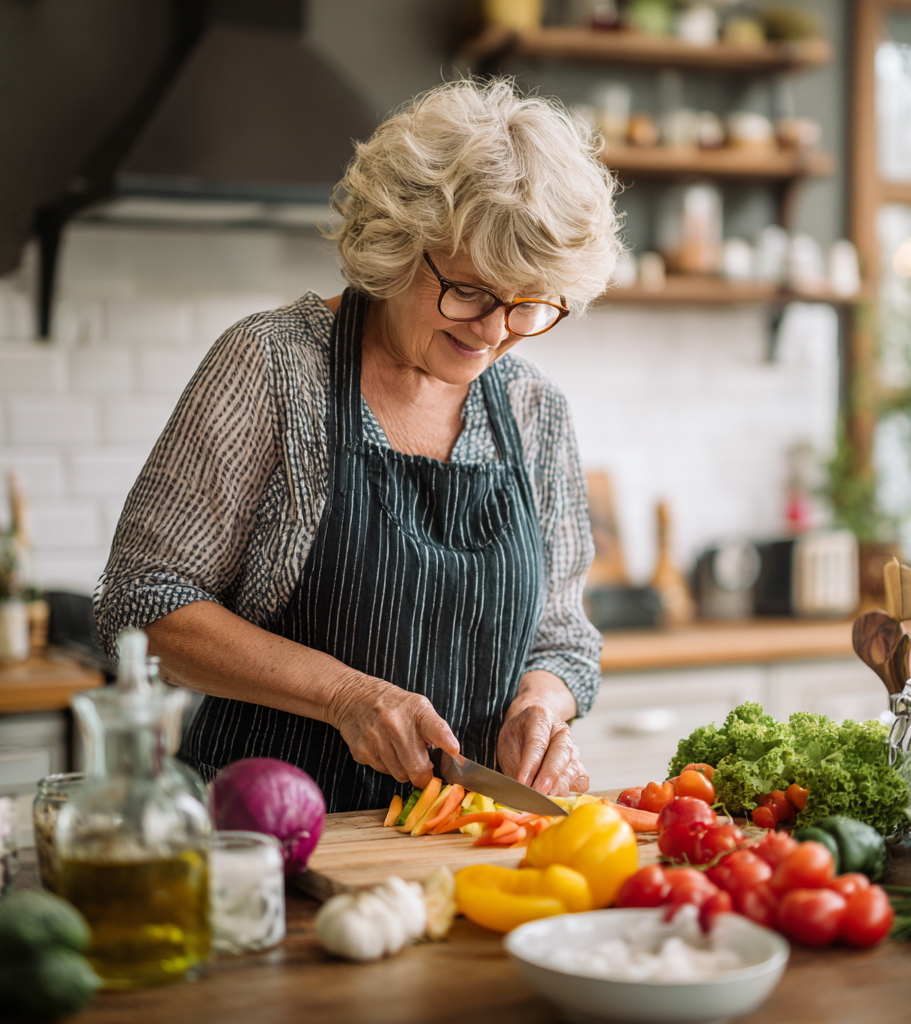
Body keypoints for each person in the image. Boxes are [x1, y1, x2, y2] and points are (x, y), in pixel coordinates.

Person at [94, 78, 624, 812]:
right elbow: (141, 603)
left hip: (461, 834)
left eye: (529, 303)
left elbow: (563, 636)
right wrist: (346, 695)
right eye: (469, 291)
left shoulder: (536, 409)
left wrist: (540, 707)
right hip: (265, 832)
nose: (494, 331)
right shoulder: (274, 365)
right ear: (398, 244)